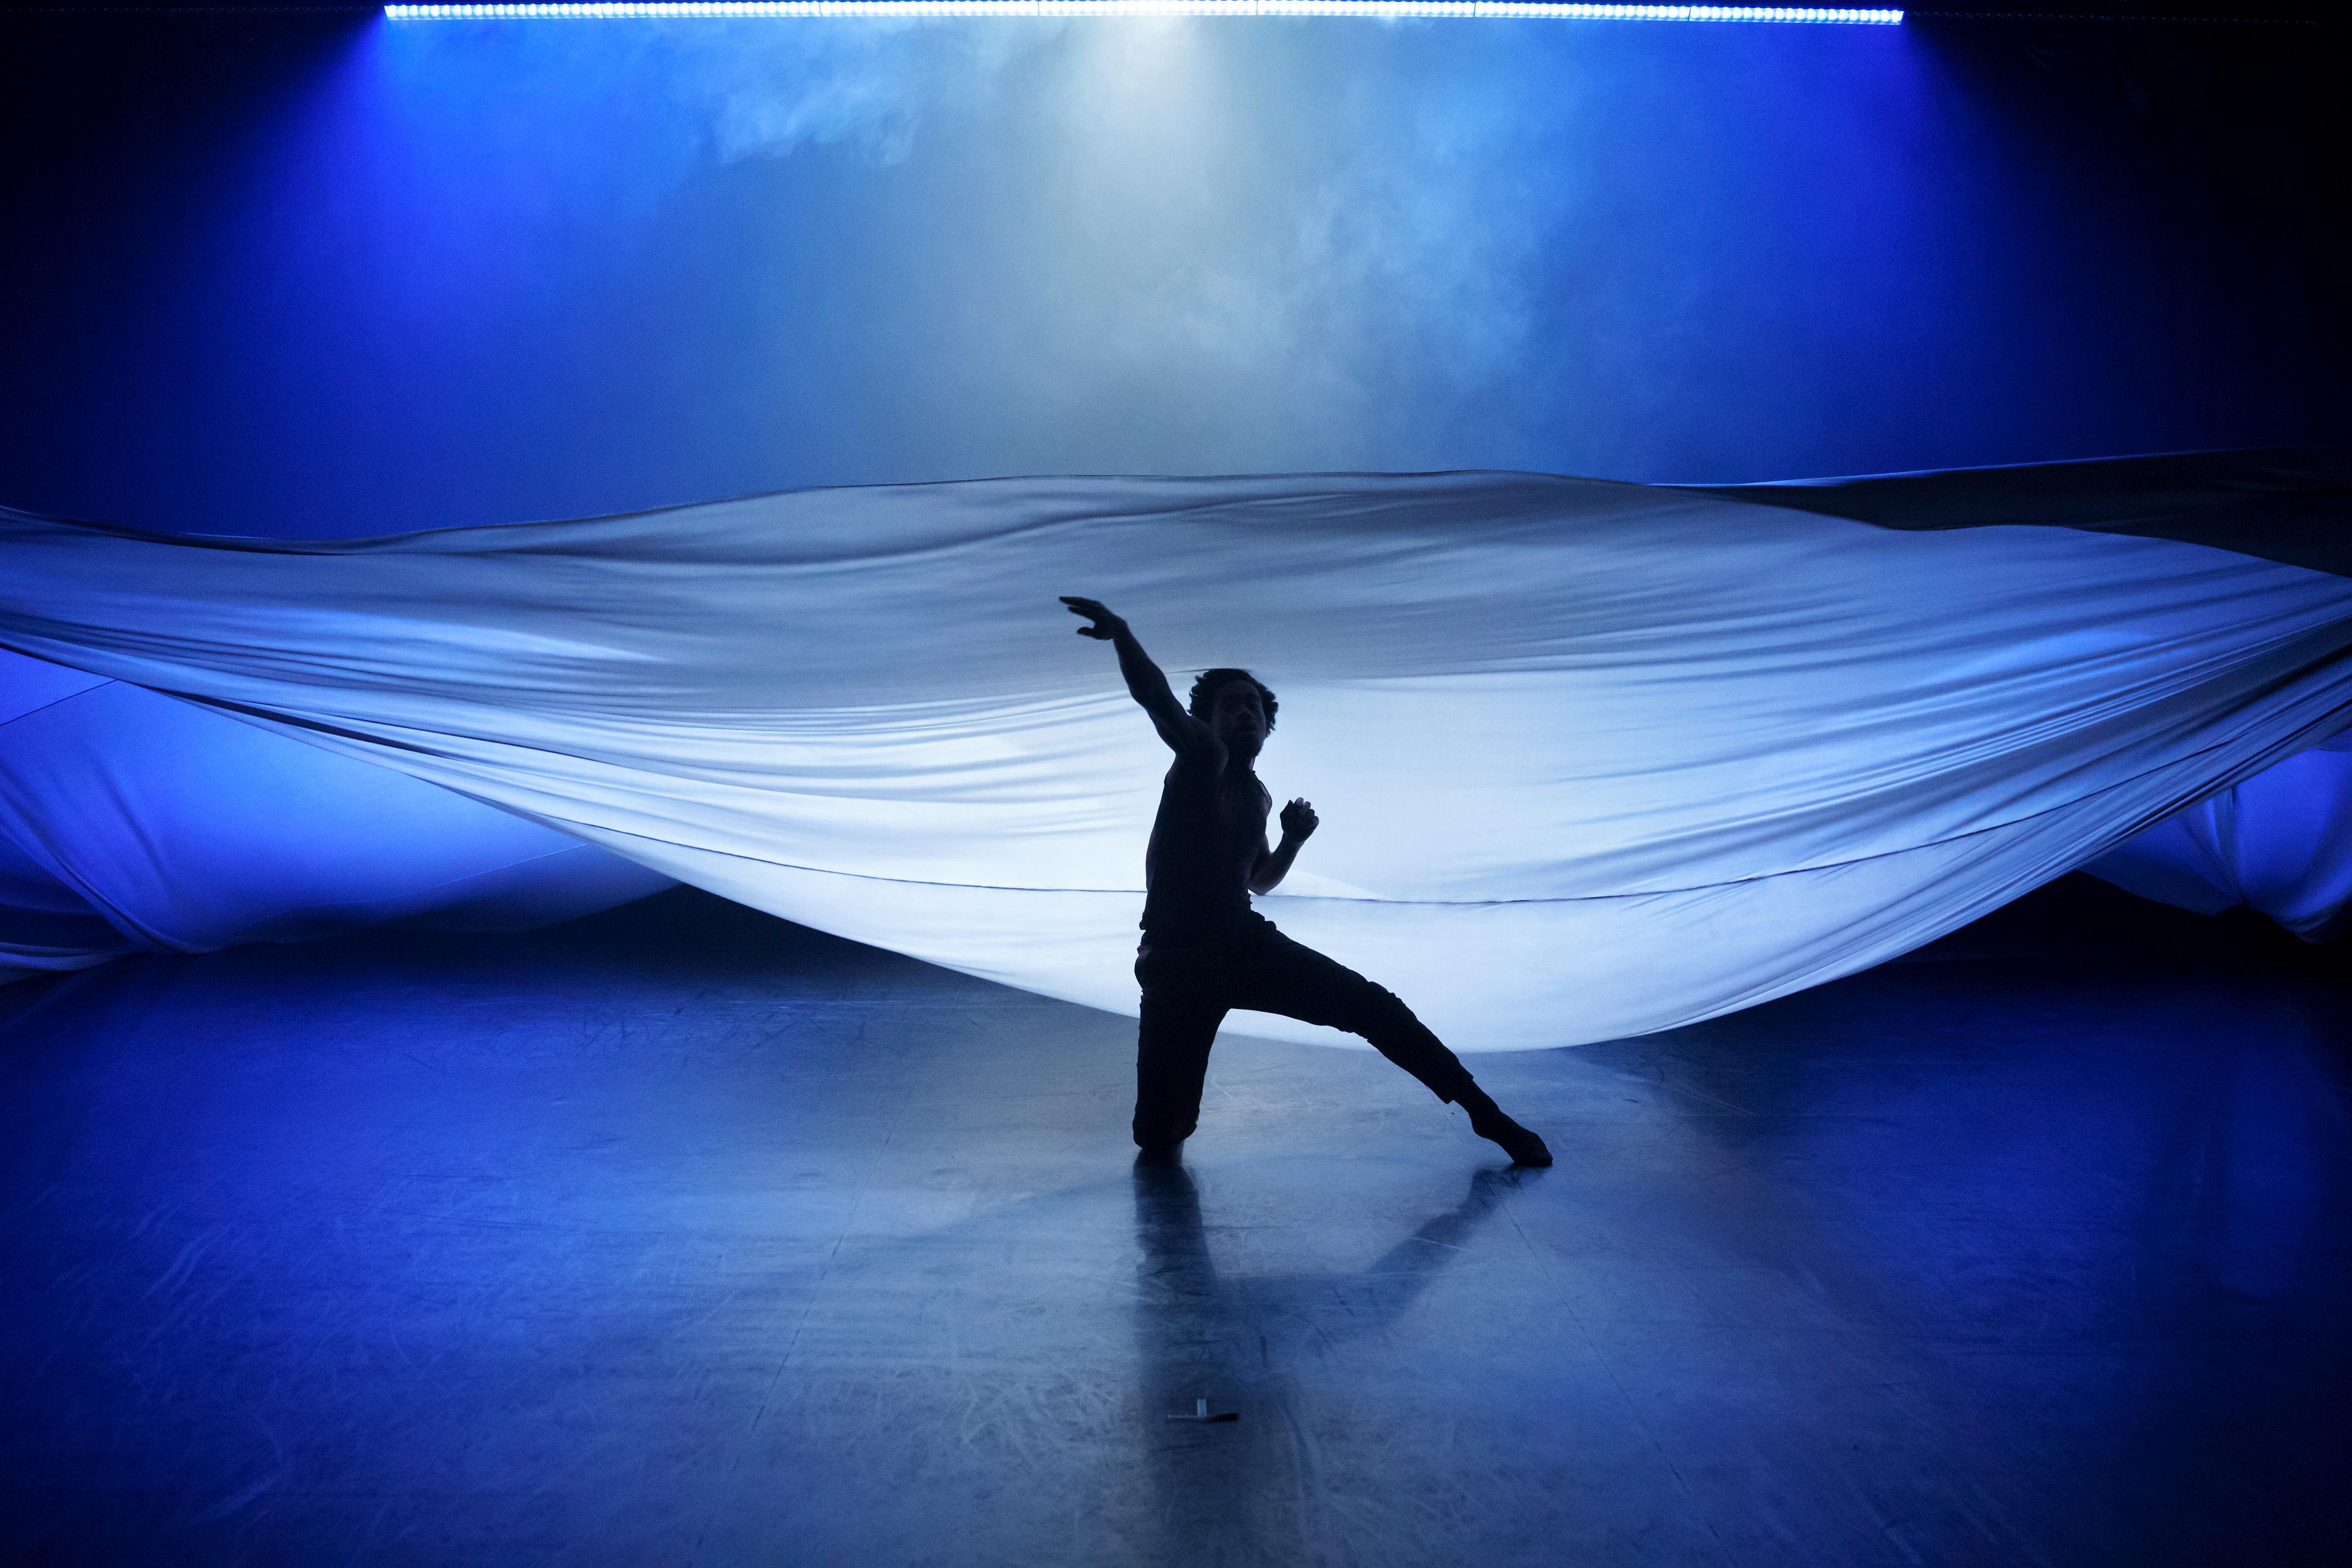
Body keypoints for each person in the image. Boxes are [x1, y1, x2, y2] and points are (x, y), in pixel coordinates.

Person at [1060, 596, 1553, 1167]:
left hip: (1241, 944)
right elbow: (1156, 699)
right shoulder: (1204, 759)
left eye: (1253, 705)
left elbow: (1259, 882)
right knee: (1159, 1135)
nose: (1244, 713)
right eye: (1230, 705)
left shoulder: (1258, 794)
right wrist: (1123, 634)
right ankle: (1167, 1125)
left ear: (1268, 725)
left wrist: (1292, 840)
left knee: (1373, 1007)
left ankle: (1486, 1114)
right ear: (1209, 721)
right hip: (1177, 962)